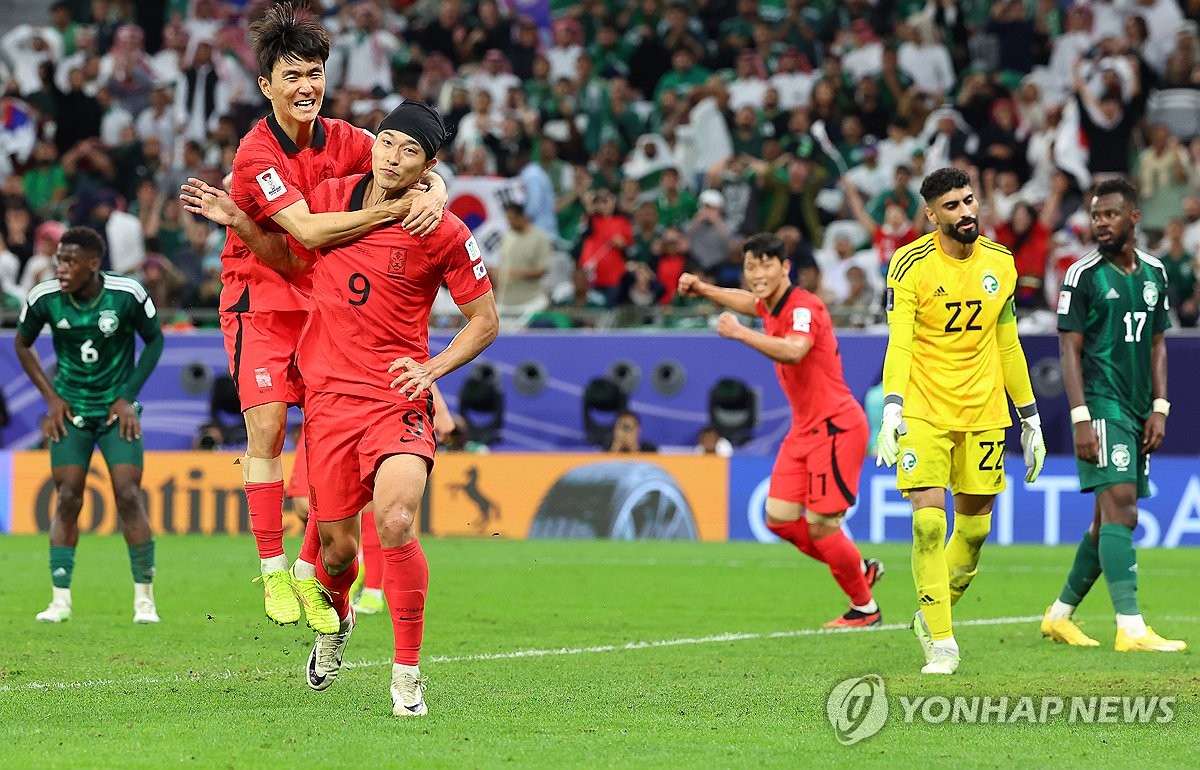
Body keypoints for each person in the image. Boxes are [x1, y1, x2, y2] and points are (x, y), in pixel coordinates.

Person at [184, 101, 498, 717]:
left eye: (411, 152)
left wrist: (432, 370)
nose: (392, 157)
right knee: (335, 553)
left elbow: (485, 322)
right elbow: (292, 258)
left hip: (396, 399)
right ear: (374, 143)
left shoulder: (443, 229)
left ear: (429, 165)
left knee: (399, 519)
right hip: (328, 404)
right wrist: (241, 224)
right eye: (387, 142)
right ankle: (339, 619)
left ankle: (406, 673)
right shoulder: (329, 196)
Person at [194, 3, 447, 632]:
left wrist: (434, 191)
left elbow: (404, 162)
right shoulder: (256, 153)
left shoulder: (347, 139)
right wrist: (392, 214)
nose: (306, 87)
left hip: (320, 296)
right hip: (259, 292)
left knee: (331, 436)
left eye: (315, 73)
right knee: (269, 424)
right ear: (266, 86)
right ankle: (275, 570)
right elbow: (303, 229)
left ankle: (312, 571)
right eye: (292, 76)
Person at [876, 167, 1046, 675]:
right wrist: (891, 407)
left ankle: (931, 612)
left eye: (969, 201)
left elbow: (1007, 342)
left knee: (971, 537)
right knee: (929, 524)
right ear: (931, 214)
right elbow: (900, 341)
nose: (966, 211)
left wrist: (1030, 416)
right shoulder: (909, 266)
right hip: (924, 408)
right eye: (951, 206)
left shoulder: (1002, 264)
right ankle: (943, 641)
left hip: (985, 412)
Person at [678, 233, 885, 628]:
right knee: (780, 518)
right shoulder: (770, 304)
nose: (757, 273)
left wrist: (740, 333)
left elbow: (795, 349)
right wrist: (704, 289)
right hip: (805, 429)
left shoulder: (803, 307)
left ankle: (864, 607)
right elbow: (748, 302)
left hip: (836, 428)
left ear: (785, 267)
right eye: (750, 266)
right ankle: (858, 568)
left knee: (824, 528)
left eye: (766, 264)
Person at [1040, 178, 1185, 652]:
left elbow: (1159, 343)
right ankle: (1131, 628)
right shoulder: (1082, 275)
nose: (1100, 223)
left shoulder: (1155, 273)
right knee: (1122, 503)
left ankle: (1059, 616)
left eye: (1110, 215)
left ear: (1134, 218)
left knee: (1107, 520)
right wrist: (1080, 416)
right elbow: (1068, 351)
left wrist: (1160, 407)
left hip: (1139, 404)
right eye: (1095, 215)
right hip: (1102, 403)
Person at [14, 226, 164, 624]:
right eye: (58, 259)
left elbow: (156, 341)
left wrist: (128, 396)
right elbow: (22, 343)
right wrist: (51, 398)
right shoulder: (44, 297)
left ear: (93, 265)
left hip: (116, 414)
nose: (58, 267)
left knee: (129, 495)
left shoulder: (126, 293)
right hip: (72, 413)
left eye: (68, 261)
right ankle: (60, 601)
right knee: (66, 497)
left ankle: (144, 601)